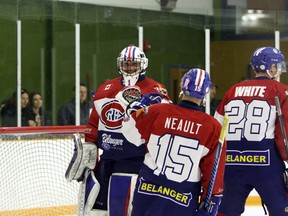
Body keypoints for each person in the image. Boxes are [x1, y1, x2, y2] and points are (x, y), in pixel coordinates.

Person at [65, 45, 171, 215]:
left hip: (137, 163)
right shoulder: (105, 89)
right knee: (94, 208)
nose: (129, 68)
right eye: (126, 64)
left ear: (143, 64)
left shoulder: (155, 89)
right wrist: (90, 149)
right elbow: (94, 123)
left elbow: (166, 122)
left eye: (133, 64)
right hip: (108, 161)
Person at [120, 68, 226, 215]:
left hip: (147, 189)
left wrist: (134, 110)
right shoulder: (213, 127)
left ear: (182, 88)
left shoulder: (157, 111)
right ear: (205, 94)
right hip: (182, 196)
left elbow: (129, 134)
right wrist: (212, 200)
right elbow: (213, 171)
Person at [214, 47, 288, 216]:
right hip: (267, 166)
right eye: (277, 65)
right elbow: (284, 134)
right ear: (270, 67)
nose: (279, 70)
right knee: (281, 211)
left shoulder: (232, 91)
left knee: (225, 212)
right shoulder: (281, 91)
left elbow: (218, 128)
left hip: (232, 164)